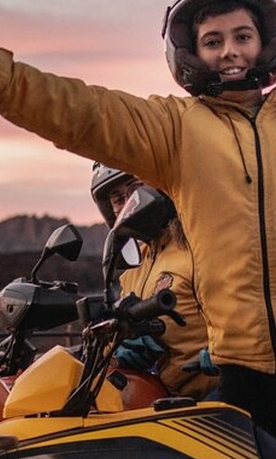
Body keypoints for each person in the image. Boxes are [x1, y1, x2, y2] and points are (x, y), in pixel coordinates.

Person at [0, 0, 276, 455]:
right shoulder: (178, 130)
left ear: (266, 40)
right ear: (191, 52)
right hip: (240, 366)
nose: (229, 51)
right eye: (213, 40)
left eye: (242, 36)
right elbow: (90, 114)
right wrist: (6, 80)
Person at [91, 163, 219, 401]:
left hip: (214, 395)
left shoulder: (199, 245)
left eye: (136, 188)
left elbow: (244, 311)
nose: (130, 202)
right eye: (118, 199)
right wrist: (118, 347)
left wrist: (221, 355)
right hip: (163, 400)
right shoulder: (133, 267)